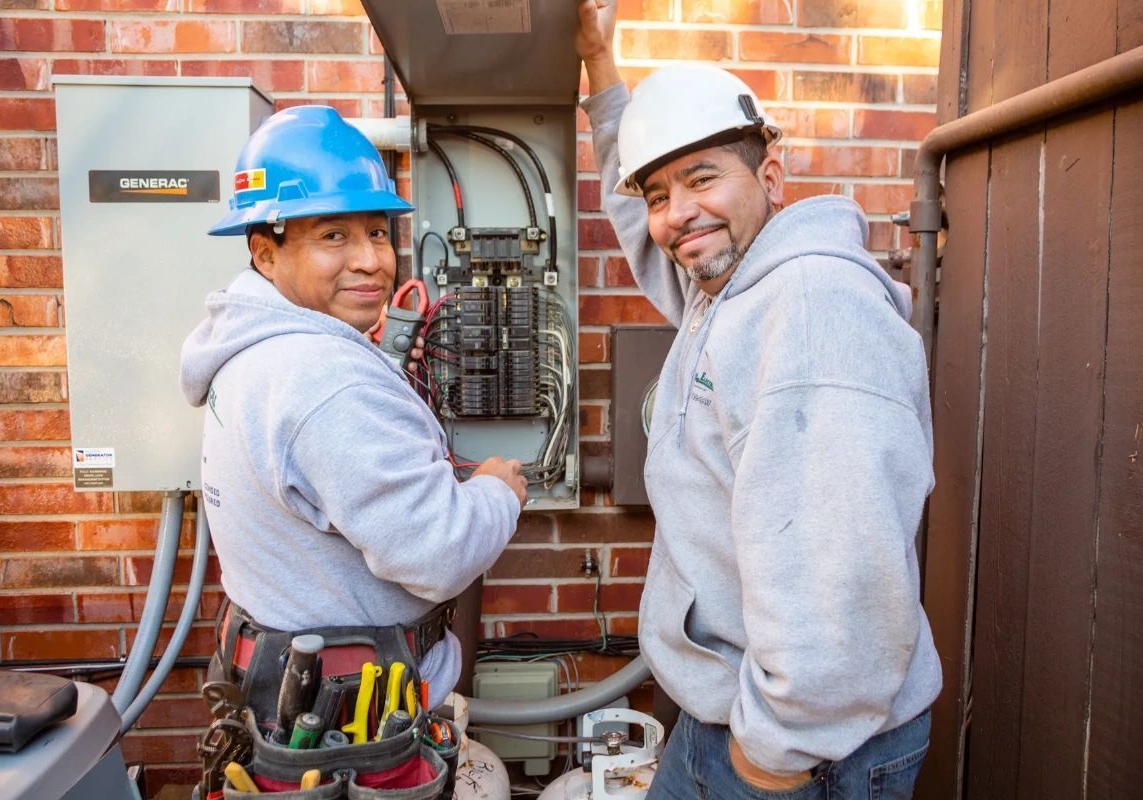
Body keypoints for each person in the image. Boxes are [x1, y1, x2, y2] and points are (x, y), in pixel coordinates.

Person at [576, 2, 942, 797]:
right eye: (661, 192)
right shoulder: (730, 289)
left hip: (804, 746)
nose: (678, 215)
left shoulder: (808, 310)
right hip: (744, 715)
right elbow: (642, 217)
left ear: (770, 176)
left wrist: (769, 757)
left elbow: (840, 575)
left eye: (703, 177)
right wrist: (602, 73)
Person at [179, 105, 527, 718]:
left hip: (291, 687)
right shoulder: (324, 381)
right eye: (333, 235)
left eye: (376, 231)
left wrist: (375, 375)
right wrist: (498, 492)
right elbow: (438, 553)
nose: (371, 259)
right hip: (353, 725)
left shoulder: (251, 348)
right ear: (265, 251)